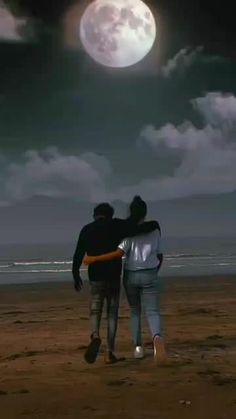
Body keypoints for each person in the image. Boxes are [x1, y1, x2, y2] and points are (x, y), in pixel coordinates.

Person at [72, 202, 159, 365]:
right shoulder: (117, 225)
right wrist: (154, 224)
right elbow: (136, 227)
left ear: (94, 215)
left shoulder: (86, 229)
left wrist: (75, 274)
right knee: (112, 314)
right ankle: (109, 353)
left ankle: (95, 334)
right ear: (110, 214)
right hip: (113, 275)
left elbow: (78, 254)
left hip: (96, 277)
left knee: (95, 309)